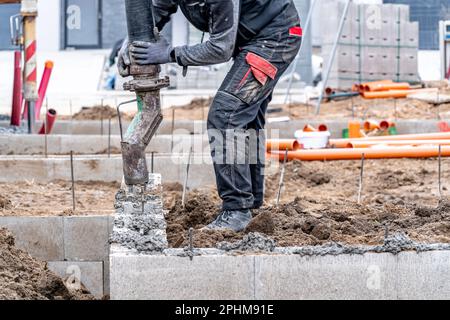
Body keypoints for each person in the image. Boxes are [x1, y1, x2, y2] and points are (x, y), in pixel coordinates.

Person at [118, 0, 302, 232]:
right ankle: (249, 206)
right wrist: (132, 40)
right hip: (250, 38)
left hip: (275, 37)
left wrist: (169, 54)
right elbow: (159, 7)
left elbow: (220, 48)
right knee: (245, 120)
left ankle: (236, 211)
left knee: (226, 115)